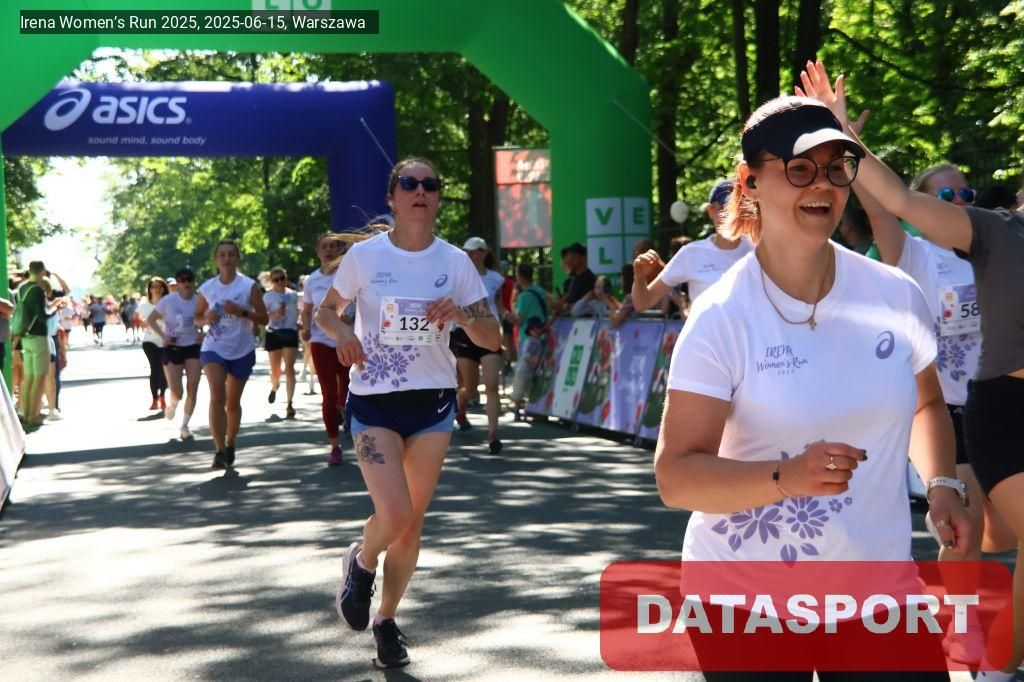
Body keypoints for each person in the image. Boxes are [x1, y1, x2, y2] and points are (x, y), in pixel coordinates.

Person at [653, 89, 969, 680]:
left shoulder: (895, 295)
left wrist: (943, 485)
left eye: (835, 168)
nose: (822, 185)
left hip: (880, 594)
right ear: (750, 181)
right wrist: (786, 478)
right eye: (799, 169)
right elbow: (676, 475)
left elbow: (926, 404)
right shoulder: (721, 317)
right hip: (746, 603)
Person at [800, 60, 1024, 681]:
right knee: (964, 529)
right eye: (945, 196)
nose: (958, 202)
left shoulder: (989, 253)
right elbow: (887, 207)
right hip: (947, 409)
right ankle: (969, 634)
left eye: (965, 194)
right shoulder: (920, 250)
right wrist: (845, 141)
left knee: (997, 537)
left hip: (989, 400)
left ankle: (990, 636)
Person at [316, 156, 500, 670]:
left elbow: (493, 337)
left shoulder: (456, 263)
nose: (420, 191)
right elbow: (326, 312)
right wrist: (345, 332)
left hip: (432, 403)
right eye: (409, 183)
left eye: (430, 184)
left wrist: (461, 315)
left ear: (438, 197)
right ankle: (362, 561)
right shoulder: (365, 257)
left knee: (412, 525)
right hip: (374, 399)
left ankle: (386, 621)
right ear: (392, 197)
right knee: (394, 514)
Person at [194, 241, 268, 469]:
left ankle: (231, 442)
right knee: (217, 396)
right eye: (222, 255)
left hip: (241, 349)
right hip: (214, 348)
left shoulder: (248, 286)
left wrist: (242, 312)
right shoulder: (208, 288)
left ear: (238, 258)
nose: (226, 259)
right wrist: (206, 318)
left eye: (231, 255)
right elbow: (196, 318)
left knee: (232, 403)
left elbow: (264, 318)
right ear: (216, 259)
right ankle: (219, 450)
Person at [632, 179, 753, 315]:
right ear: (710, 211)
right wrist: (639, 277)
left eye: (735, 208)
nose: (730, 215)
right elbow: (642, 303)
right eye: (722, 208)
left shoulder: (759, 250)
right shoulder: (691, 253)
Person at [451, 236, 506, 454]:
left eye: (478, 251)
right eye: (470, 251)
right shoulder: (458, 276)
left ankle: (493, 434)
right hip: (465, 334)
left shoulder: (496, 278)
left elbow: (499, 305)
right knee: (471, 390)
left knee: (492, 385)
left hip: (490, 333)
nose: (475, 255)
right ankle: (460, 405)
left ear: (485, 253)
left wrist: (507, 320)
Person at [302, 233, 352, 466]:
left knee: (348, 391)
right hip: (321, 341)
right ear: (318, 251)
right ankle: (334, 446)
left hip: (347, 339)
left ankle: (344, 411)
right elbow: (307, 310)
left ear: (339, 250)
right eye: (325, 247)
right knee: (328, 394)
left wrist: (351, 319)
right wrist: (305, 328)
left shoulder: (349, 276)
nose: (329, 250)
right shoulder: (312, 280)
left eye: (333, 246)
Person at [149, 267, 202, 441]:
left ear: (193, 281)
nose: (186, 283)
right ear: (177, 283)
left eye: (189, 279)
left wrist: (203, 334)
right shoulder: (168, 301)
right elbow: (151, 319)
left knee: (193, 387)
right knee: (178, 392)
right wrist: (164, 336)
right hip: (173, 347)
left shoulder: (199, 300)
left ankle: (185, 426)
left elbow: (207, 319)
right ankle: (172, 404)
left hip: (193, 347)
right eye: (182, 280)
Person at [12, 261, 53, 429]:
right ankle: (33, 415)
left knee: (28, 377)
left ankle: (26, 412)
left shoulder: (22, 288)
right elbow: (42, 316)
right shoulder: (38, 290)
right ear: (42, 272)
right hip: (39, 336)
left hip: (25, 336)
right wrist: (55, 309)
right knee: (40, 376)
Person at [508, 262, 550, 419]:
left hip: (526, 338)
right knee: (539, 373)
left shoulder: (524, 296)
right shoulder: (540, 291)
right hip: (542, 337)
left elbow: (518, 320)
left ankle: (517, 405)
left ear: (519, 276)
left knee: (523, 372)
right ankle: (535, 405)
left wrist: (511, 308)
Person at [263, 267, 300, 419]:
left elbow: (300, 311)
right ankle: (275, 386)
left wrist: (301, 323)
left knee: (289, 368)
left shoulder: (293, 295)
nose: (280, 282)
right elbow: (263, 317)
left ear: (286, 278)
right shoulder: (268, 296)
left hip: (290, 332)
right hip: (273, 333)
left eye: (282, 278)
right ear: (272, 281)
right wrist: (275, 314)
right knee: (276, 370)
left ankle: (290, 403)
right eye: (276, 280)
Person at [138, 277, 169, 412]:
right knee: (155, 368)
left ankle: (162, 396)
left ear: (164, 289)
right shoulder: (145, 306)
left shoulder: (169, 304)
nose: (157, 289)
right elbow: (141, 323)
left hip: (166, 341)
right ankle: (155, 398)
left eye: (160, 287)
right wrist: (147, 322)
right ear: (149, 290)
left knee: (164, 370)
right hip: (150, 341)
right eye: (154, 287)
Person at [552, 242, 596, 315]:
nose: (569, 260)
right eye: (568, 256)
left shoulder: (589, 279)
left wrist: (564, 306)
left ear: (583, 258)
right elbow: (569, 297)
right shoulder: (574, 278)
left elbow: (586, 306)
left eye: (573, 256)